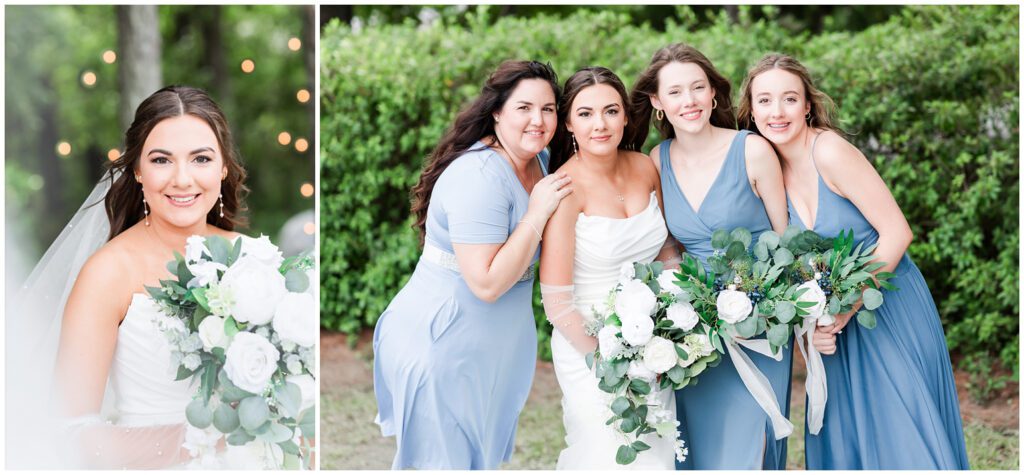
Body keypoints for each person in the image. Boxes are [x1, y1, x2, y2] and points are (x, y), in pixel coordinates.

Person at [738, 52, 970, 470]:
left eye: (789, 99)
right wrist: (811, 331)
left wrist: (848, 306)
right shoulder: (764, 171)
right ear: (750, 110)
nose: (777, 112)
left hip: (887, 308)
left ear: (808, 105)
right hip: (832, 328)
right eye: (765, 101)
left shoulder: (829, 152)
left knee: (904, 434)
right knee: (849, 443)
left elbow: (898, 232)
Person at [8, 86, 252, 469]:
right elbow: (69, 431)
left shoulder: (256, 259)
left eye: (201, 158)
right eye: (162, 160)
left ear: (223, 167)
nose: (183, 179)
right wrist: (200, 441)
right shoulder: (107, 274)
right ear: (138, 170)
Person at [372, 60, 573, 469]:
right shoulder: (479, 175)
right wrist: (536, 214)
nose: (538, 120)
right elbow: (485, 283)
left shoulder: (542, 160)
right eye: (524, 108)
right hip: (444, 341)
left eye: (548, 108)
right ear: (497, 111)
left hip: (496, 344)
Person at [628, 43, 792, 470]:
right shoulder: (656, 160)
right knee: (701, 449)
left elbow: (786, 239)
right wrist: (678, 308)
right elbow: (669, 247)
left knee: (747, 446)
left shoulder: (752, 149)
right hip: (696, 333)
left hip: (760, 319)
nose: (690, 101)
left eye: (698, 88)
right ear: (658, 102)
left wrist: (761, 304)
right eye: (677, 92)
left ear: (713, 94)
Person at [539, 66, 679, 469]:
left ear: (625, 116)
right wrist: (609, 362)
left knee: (656, 451)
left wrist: (672, 318)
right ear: (568, 123)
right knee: (606, 453)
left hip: (653, 338)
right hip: (588, 343)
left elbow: (665, 247)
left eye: (610, 111)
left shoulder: (645, 167)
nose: (599, 124)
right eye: (585, 114)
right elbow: (557, 302)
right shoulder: (564, 190)